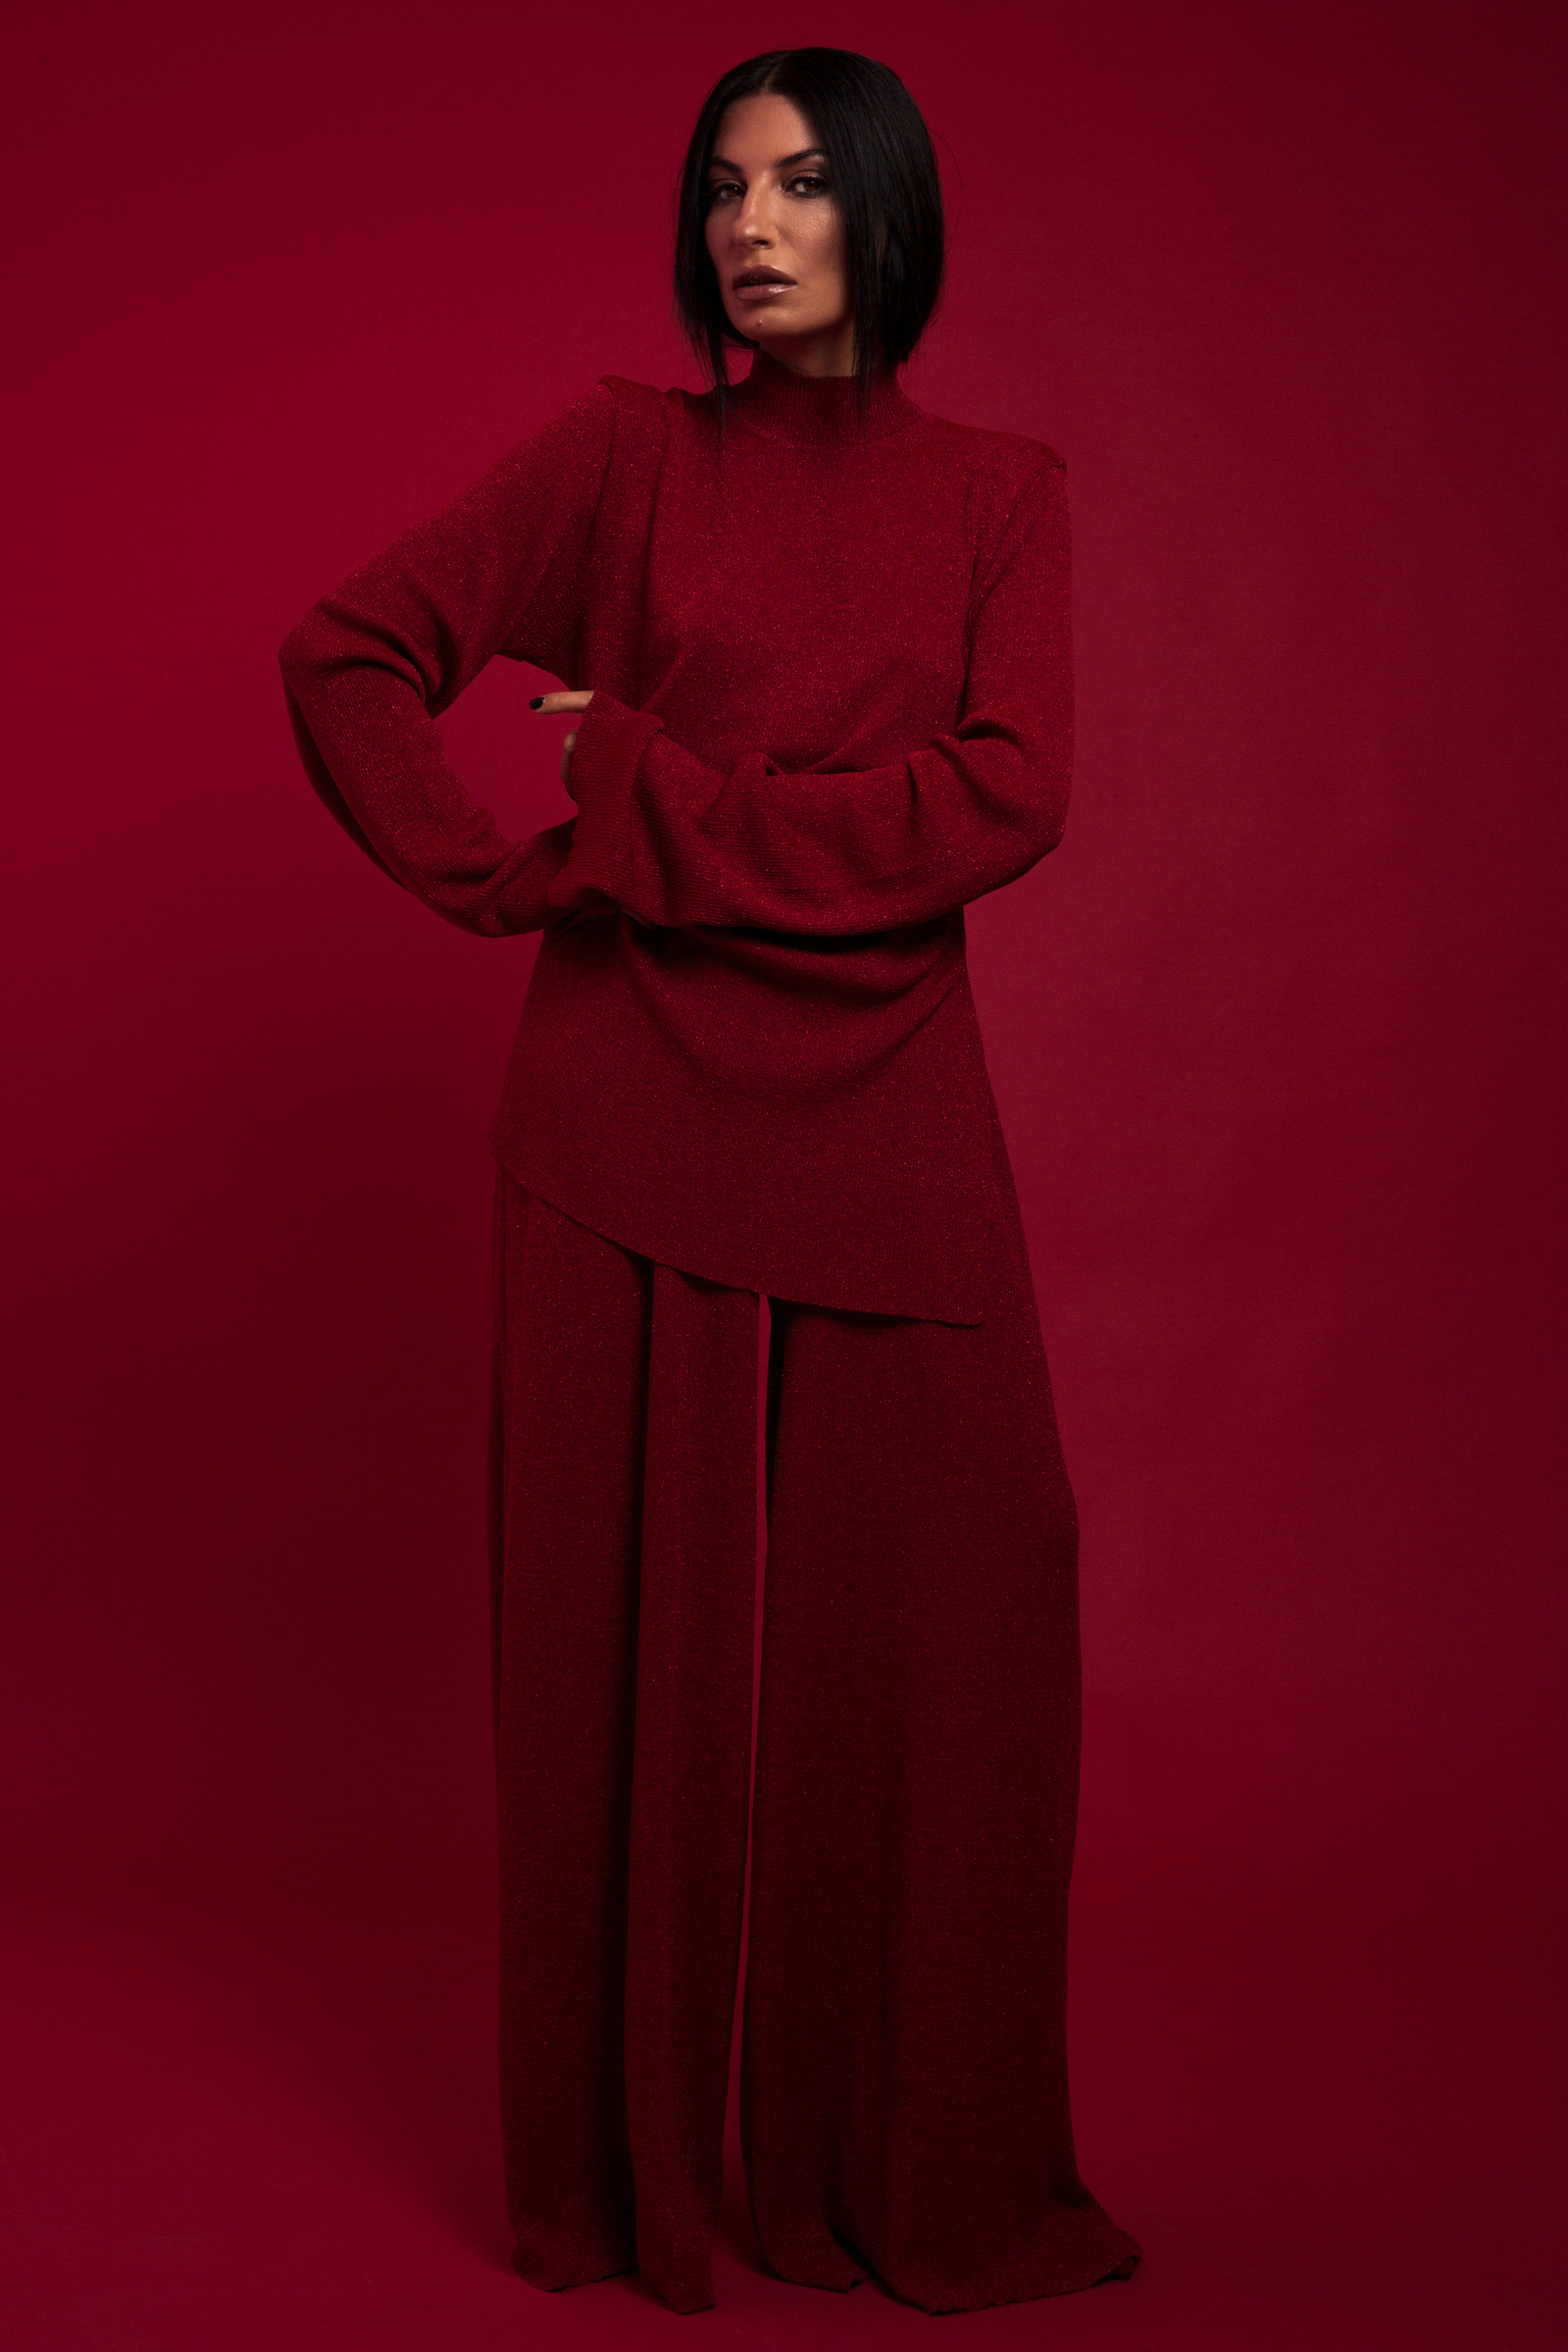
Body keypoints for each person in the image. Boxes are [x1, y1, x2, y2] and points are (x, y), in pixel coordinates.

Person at [278, 42, 1139, 2321]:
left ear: (888, 213)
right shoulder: (622, 458)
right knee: (616, 1666)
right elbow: (348, 651)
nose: (743, 229)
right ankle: (631, 2189)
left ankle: (906, 2167)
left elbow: (1001, 803)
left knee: (965, 1612)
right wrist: (502, 874)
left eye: (794, 188)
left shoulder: (1001, 493)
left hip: (885, 1107)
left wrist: (654, 802)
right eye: (716, 191)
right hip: (618, 1110)